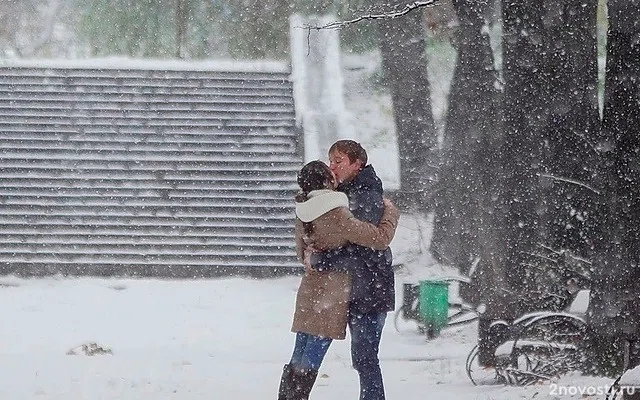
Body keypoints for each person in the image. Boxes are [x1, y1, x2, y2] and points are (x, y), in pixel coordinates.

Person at [278, 160, 400, 400]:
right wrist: (391, 214)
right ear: (328, 182)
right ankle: (297, 397)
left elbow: (301, 253)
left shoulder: (303, 209)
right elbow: (378, 238)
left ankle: (288, 396)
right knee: (314, 351)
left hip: (310, 288)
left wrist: (317, 258)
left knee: (300, 348)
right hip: (332, 291)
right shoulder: (336, 212)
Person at [307, 140, 395, 400]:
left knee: (365, 358)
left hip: (369, 288)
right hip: (357, 287)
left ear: (358, 165)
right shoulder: (344, 192)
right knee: (363, 358)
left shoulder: (364, 194)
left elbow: (360, 246)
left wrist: (320, 260)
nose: (332, 167)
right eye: (331, 160)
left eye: (339, 161)